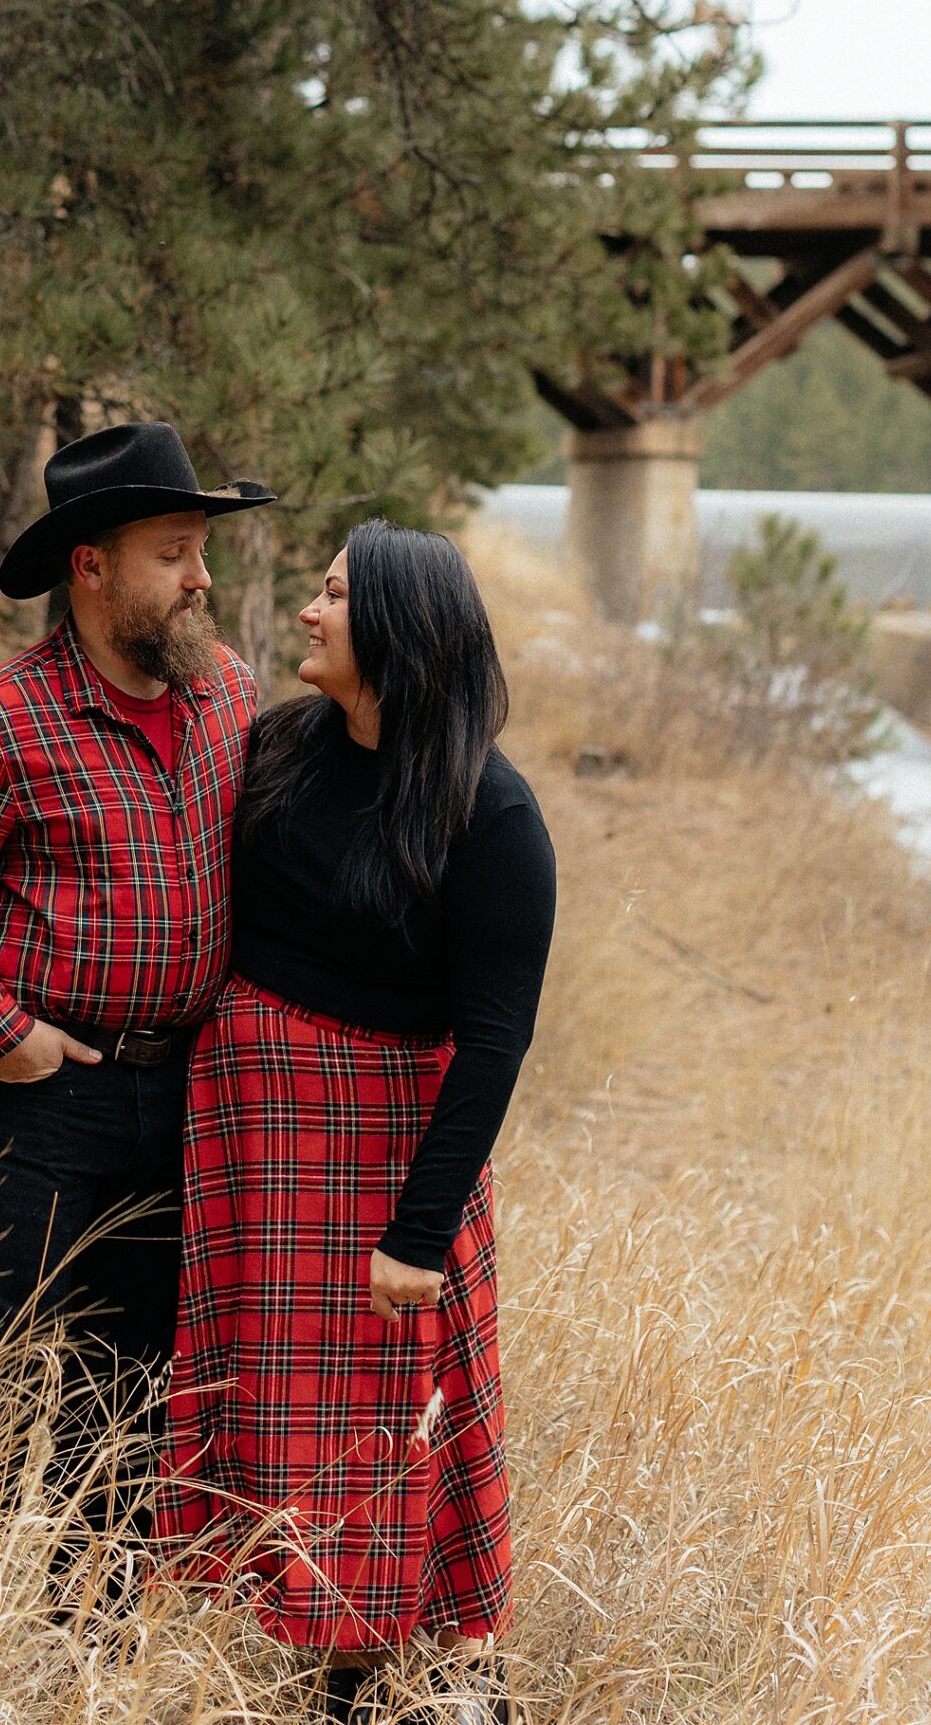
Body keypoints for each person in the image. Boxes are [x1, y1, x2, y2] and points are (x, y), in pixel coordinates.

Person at [154, 520, 556, 1714]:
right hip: (256, 1158)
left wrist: (420, 1235)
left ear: (393, 625)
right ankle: (318, 1651)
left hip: (386, 1174)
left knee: (393, 1435)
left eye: (333, 593)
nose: (312, 610)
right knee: (280, 1420)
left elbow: (493, 1043)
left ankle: (426, 1690)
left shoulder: (491, 813)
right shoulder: (283, 744)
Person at [0, 420, 274, 1528]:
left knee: (133, 1383)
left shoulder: (229, 694)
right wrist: (4, 1031)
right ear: (91, 567)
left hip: (183, 1089)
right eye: (174, 552)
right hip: (45, 1094)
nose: (201, 576)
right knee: (0, 1355)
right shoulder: (1, 722)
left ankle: (84, 1635)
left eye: (199, 549)